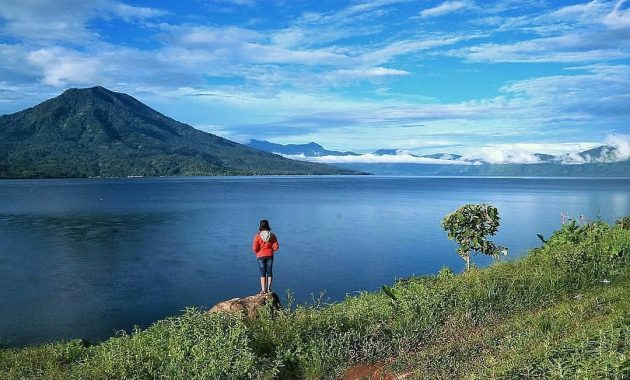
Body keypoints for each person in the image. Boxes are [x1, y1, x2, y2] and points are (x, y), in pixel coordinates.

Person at [252, 219, 279, 294]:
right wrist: (271, 250)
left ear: (260, 226)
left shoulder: (257, 236)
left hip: (260, 256)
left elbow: (254, 248)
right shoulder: (272, 235)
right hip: (270, 255)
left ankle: (263, 290)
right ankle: (269, 289)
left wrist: (258, 252)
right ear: (268, 226)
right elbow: (276, 247)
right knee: (269, 272)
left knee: (262, 273)